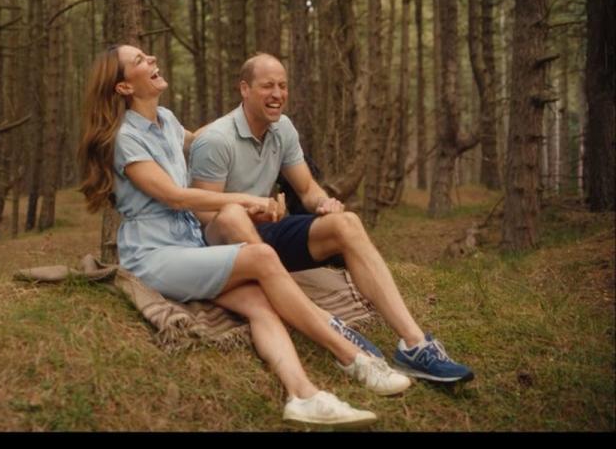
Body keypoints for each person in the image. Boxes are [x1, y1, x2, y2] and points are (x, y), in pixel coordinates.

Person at [79, 44, 412, 428]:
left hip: (190, 249)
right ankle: (354, 358)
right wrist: (244, 199)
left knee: (259, 303)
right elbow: (173, 196)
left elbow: (201, 137)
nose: (152, 60)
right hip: (153, 255)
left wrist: (251, 109)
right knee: (263, 258)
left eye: (148, 56)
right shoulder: (125, 138)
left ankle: (303, 395)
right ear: (123, 87)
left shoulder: (166, 120)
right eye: (140, 61)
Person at [189, 52, 474, 384]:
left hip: (267, 231)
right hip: (224, 243)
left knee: (347, 223)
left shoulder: (283, 130)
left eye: (282, 86)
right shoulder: (216, 140)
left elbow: (308, 189)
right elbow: (204, 213)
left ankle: (414, 344)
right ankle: (321, 319)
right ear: (244, 89)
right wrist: (250, 207)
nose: (277, 94)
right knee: (232, 214)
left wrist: (326, 204)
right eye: (267, 86)